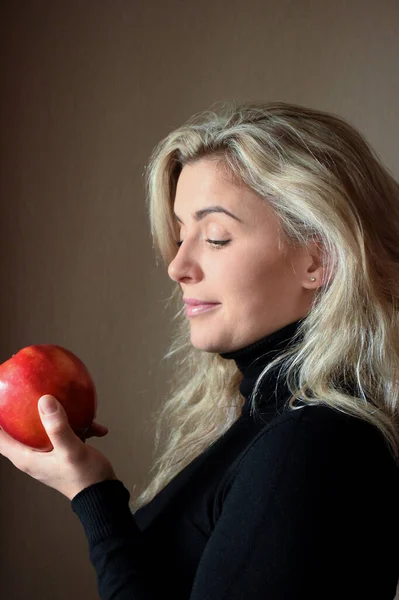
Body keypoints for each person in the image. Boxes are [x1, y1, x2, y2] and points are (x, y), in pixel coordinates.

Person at [1, 101, 399, 599]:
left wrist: (94, 498)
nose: (177, 266)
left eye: (215, 236)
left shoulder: (312, 443)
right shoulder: (275, 422)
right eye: (181, 233)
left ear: (316, 258)